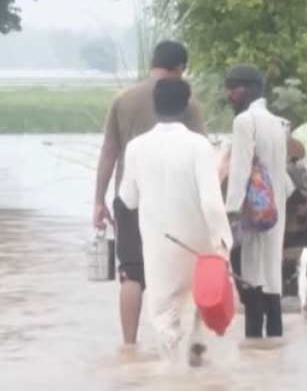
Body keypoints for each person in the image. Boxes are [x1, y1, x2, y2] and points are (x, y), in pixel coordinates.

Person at [92, 41, 206, 346]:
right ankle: (179, 345)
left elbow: (108, 153)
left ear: (152, 63)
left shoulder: (123, 99)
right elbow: (202, 154)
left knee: (131, 273)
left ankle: (129, 346)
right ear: (180, 68)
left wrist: (98, 201)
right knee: (181, 274)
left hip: (129, 199)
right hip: (176, 201)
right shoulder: (188, 103)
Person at [118, 79, 232, 365]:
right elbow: (211, 202)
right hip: (198, 248)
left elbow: (127, 199)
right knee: (199, 310)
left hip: (159, 250)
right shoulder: (199, 146)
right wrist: (224, 243)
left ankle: (170, 372)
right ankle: (196, 363)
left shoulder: (135, 148)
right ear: (186, 106)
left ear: (155, 106)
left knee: (165, 320)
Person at [224, 64, 289, 339]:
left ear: (248, 89)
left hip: (253, 212)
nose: (229, 95)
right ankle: (272, 355)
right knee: (271, 277)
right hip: (275, 211)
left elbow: (239, 172)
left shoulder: (244, 122)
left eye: (233, 88)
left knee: (250, 276)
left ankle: (254, 347)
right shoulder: (276, 122)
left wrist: (230, 213)